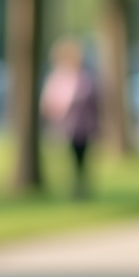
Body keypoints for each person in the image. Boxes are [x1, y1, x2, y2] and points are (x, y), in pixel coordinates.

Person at [40, 38, 99, 198]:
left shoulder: (84, 77)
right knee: (72, 157)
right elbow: (50, 102)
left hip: (83, 126)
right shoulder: (59, 77)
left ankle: (81, 188)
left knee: (81, 157)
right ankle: (76, 187)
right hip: (66, 126)